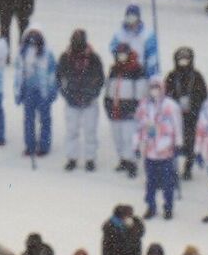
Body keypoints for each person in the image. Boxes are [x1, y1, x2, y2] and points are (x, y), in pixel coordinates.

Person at [57, 29, 105, 173]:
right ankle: (72, 158)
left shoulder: (93, 58)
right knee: (71, 132)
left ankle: (90, 159)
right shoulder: (65, 57)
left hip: (90, 102)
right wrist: (66, 95)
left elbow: (100, 79)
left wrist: (92, 94)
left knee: (90, 132)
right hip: (71, 102)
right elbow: (59, 78)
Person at [137, 82, 184, 221]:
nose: (154, 91)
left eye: (157, 88)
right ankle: (151, 207)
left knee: (167, 182)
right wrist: (137, 144)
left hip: (166, 150)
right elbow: (139, 125)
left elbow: (177, 125)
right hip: (150, 150)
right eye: (152, 88)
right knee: (150, 182)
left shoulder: (170, 105)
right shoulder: (144, 105)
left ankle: (168, 208)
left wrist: (178, 143)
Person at [165, 47, 208, 179]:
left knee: (190, 142)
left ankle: (188, 167)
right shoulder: (172, 76)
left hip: (192, 114)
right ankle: (172, 167)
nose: (183, 62)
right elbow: (166, 94)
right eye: (181, 60)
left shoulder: (196, 76)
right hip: (175, 115)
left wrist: (196, 106)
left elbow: (203, 94)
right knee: (174, 141)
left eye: (186, 60)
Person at [106, 43, 147, 178]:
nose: (121, 58)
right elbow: (108, 89)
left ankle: (132, 162)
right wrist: (108, 105)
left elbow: (141, 92)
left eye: (124, 55)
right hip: (115, 109)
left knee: (129, 138)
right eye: (119, 55)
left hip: (129, 111)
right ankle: (123, 159)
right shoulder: (114, 70)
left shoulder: (137, 70)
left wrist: (135, 109)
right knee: (117, 137)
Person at [15, 29, 57, 159]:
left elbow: (52, 75)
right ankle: (30, 145)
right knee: (28, 119)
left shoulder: (47, 54)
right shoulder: (22, 53)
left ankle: (44, 145)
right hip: (28, 90)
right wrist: (18, 91)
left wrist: (51, 91)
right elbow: (18, 74)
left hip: (43, 92)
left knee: (44, 119)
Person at [113, 4, 160, 79]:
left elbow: (152, 57)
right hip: (124, 73)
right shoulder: (119, 34)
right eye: (129, 17)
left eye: (133, 17)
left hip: (141, 74)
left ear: (138, 18)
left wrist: (152, 75)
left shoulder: (148, 35)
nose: (131, 20)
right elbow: (114, 51)